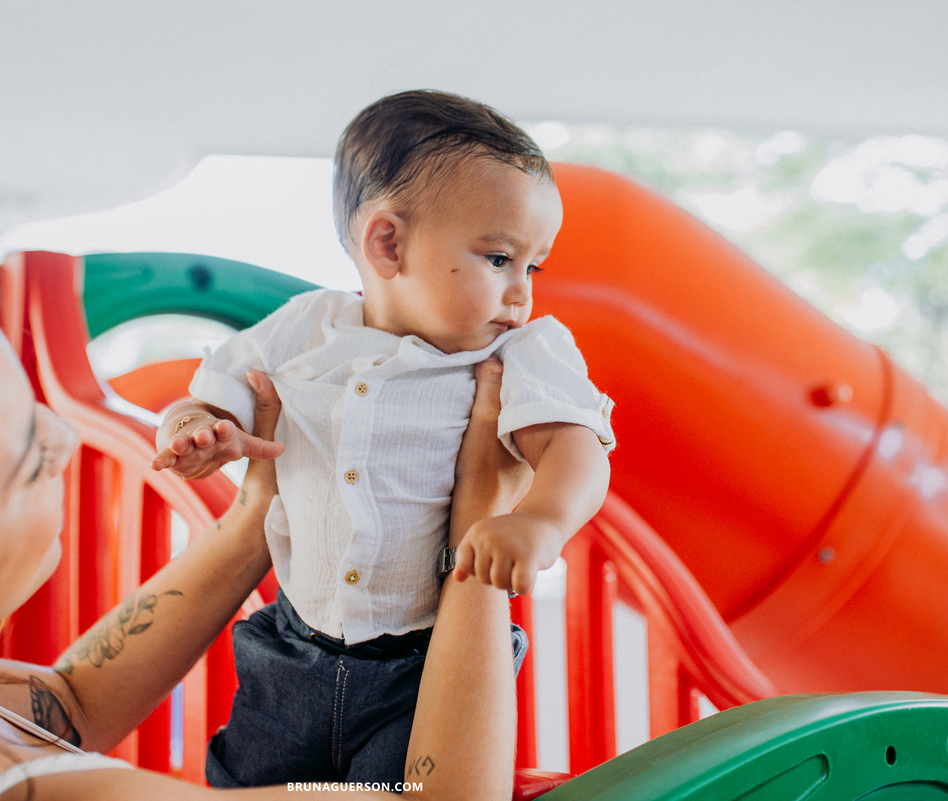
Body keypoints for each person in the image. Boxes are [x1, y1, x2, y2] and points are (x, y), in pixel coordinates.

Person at [0, 260, 528, 800]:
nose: (63, 434)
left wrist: (260, 512)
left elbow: (75, 699)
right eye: (30, 451)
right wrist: (479, 529)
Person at [149, 89, 614, 788]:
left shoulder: (521, 351)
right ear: (388, 243)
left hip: (424, 668)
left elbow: (576, 445)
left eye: (532, 266)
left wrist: (543, 520)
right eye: (498, 259)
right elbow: (213, 391)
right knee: (244, 782)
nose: (523, 292)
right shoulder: (306, 328)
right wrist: (196, 430)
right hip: (291, 652)